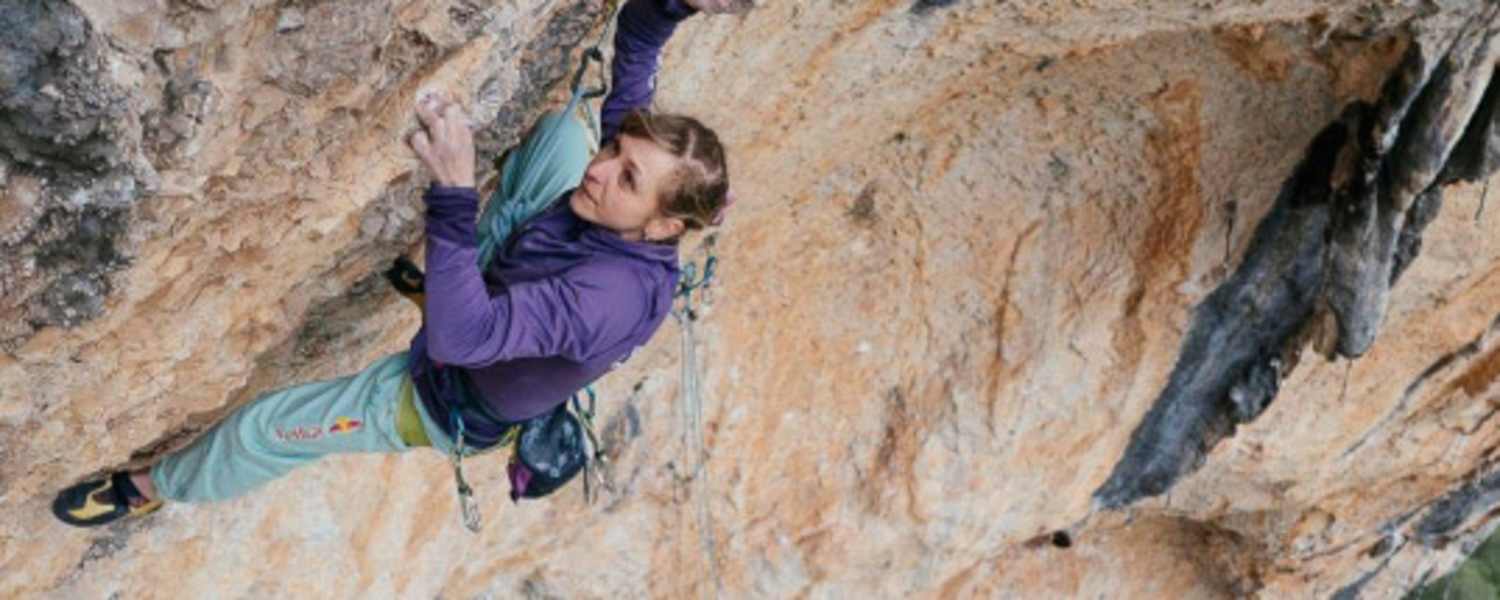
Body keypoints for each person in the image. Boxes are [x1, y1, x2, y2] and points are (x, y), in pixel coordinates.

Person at [53, 0, 744, 528]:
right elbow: (640, 40)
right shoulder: (634, 204)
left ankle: (147, 489)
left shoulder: (607, 297)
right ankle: (455, 281)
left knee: (264, 428)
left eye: (628, 179)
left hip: (443, 392)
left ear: (663, 225)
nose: (602, 173)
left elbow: (459, 341)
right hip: (519, 276)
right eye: (617, 155)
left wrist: (452, 188)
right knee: (564, 135)